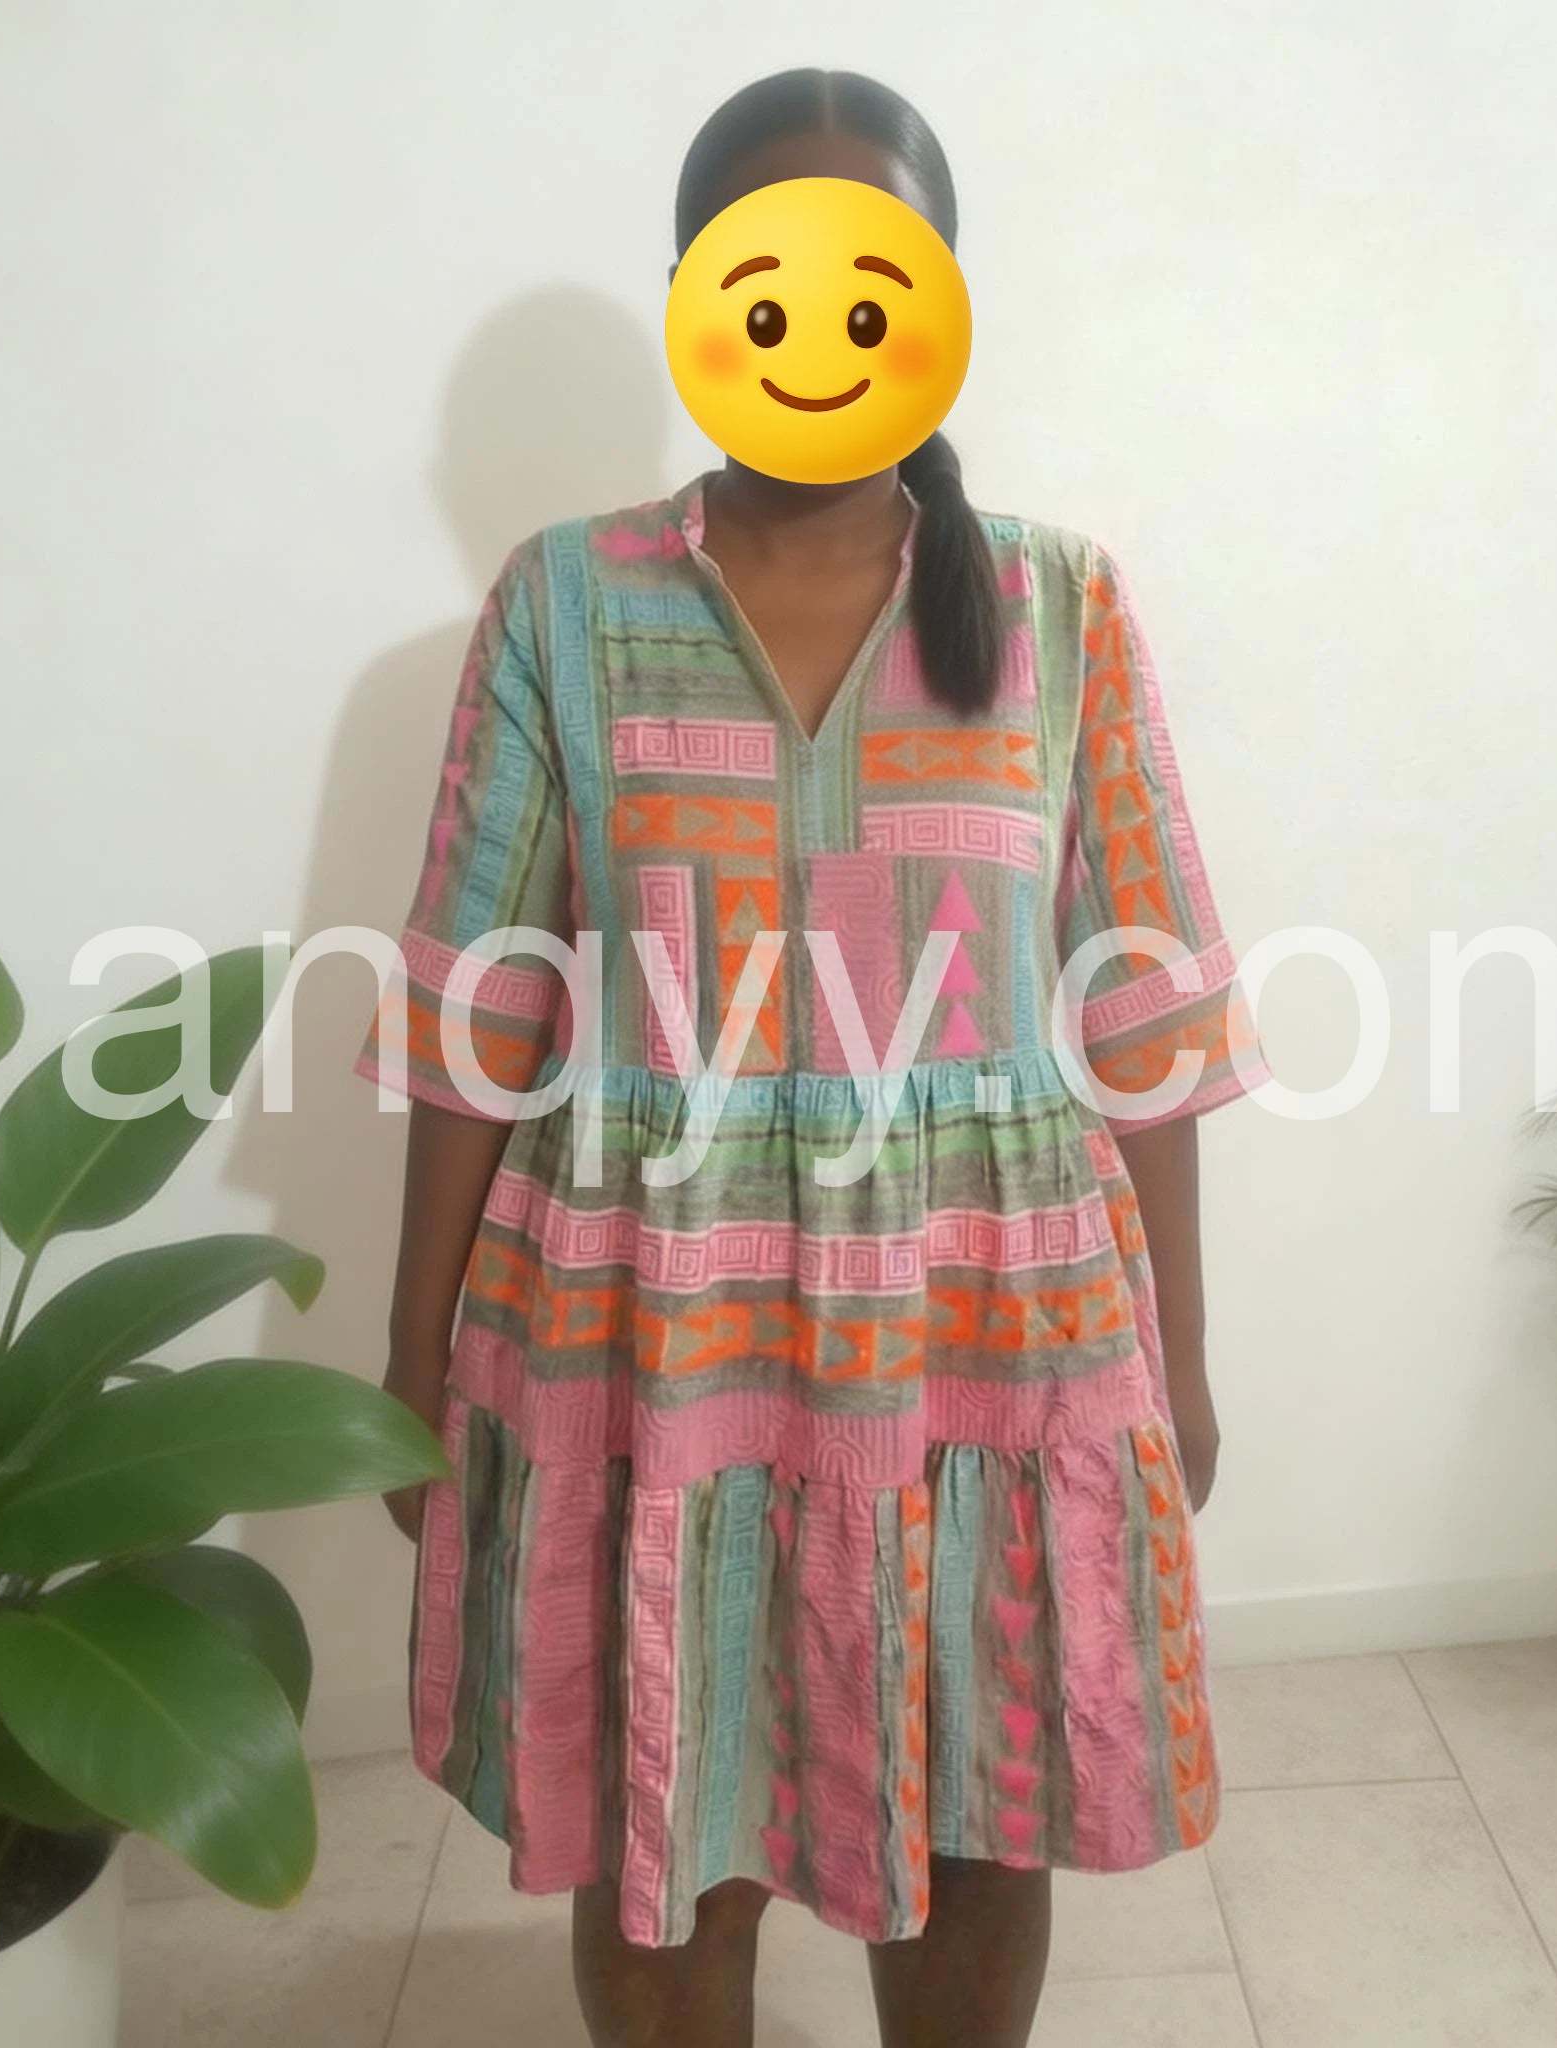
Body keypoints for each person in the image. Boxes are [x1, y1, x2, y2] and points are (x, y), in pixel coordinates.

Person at [357, 66, 1265, 2048]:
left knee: (978, 1807)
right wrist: (410, 1352)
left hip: (985, 1325)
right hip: (640, 1324)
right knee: (664, 1818)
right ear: (702, 291)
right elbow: (475, 1009)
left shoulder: (1055, 604)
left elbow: (1147, 1003)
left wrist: (1180, 1352)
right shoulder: (568, 602)